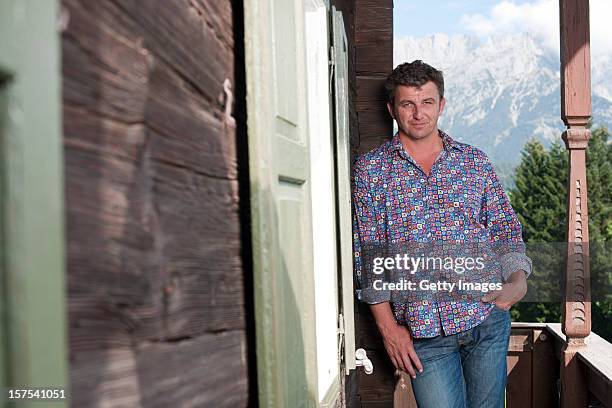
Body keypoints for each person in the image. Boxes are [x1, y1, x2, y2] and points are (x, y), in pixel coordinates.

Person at [352, 60, 532, 408]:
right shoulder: (371, 171)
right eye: (408, 104)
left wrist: (518, 279)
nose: (418, 113)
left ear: (442, 105)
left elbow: (505, 228)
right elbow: (369, 258)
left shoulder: (474, 163)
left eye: (427, 102)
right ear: (392, 109)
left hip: (486, 319)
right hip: (423, 332)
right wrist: (389, 330)